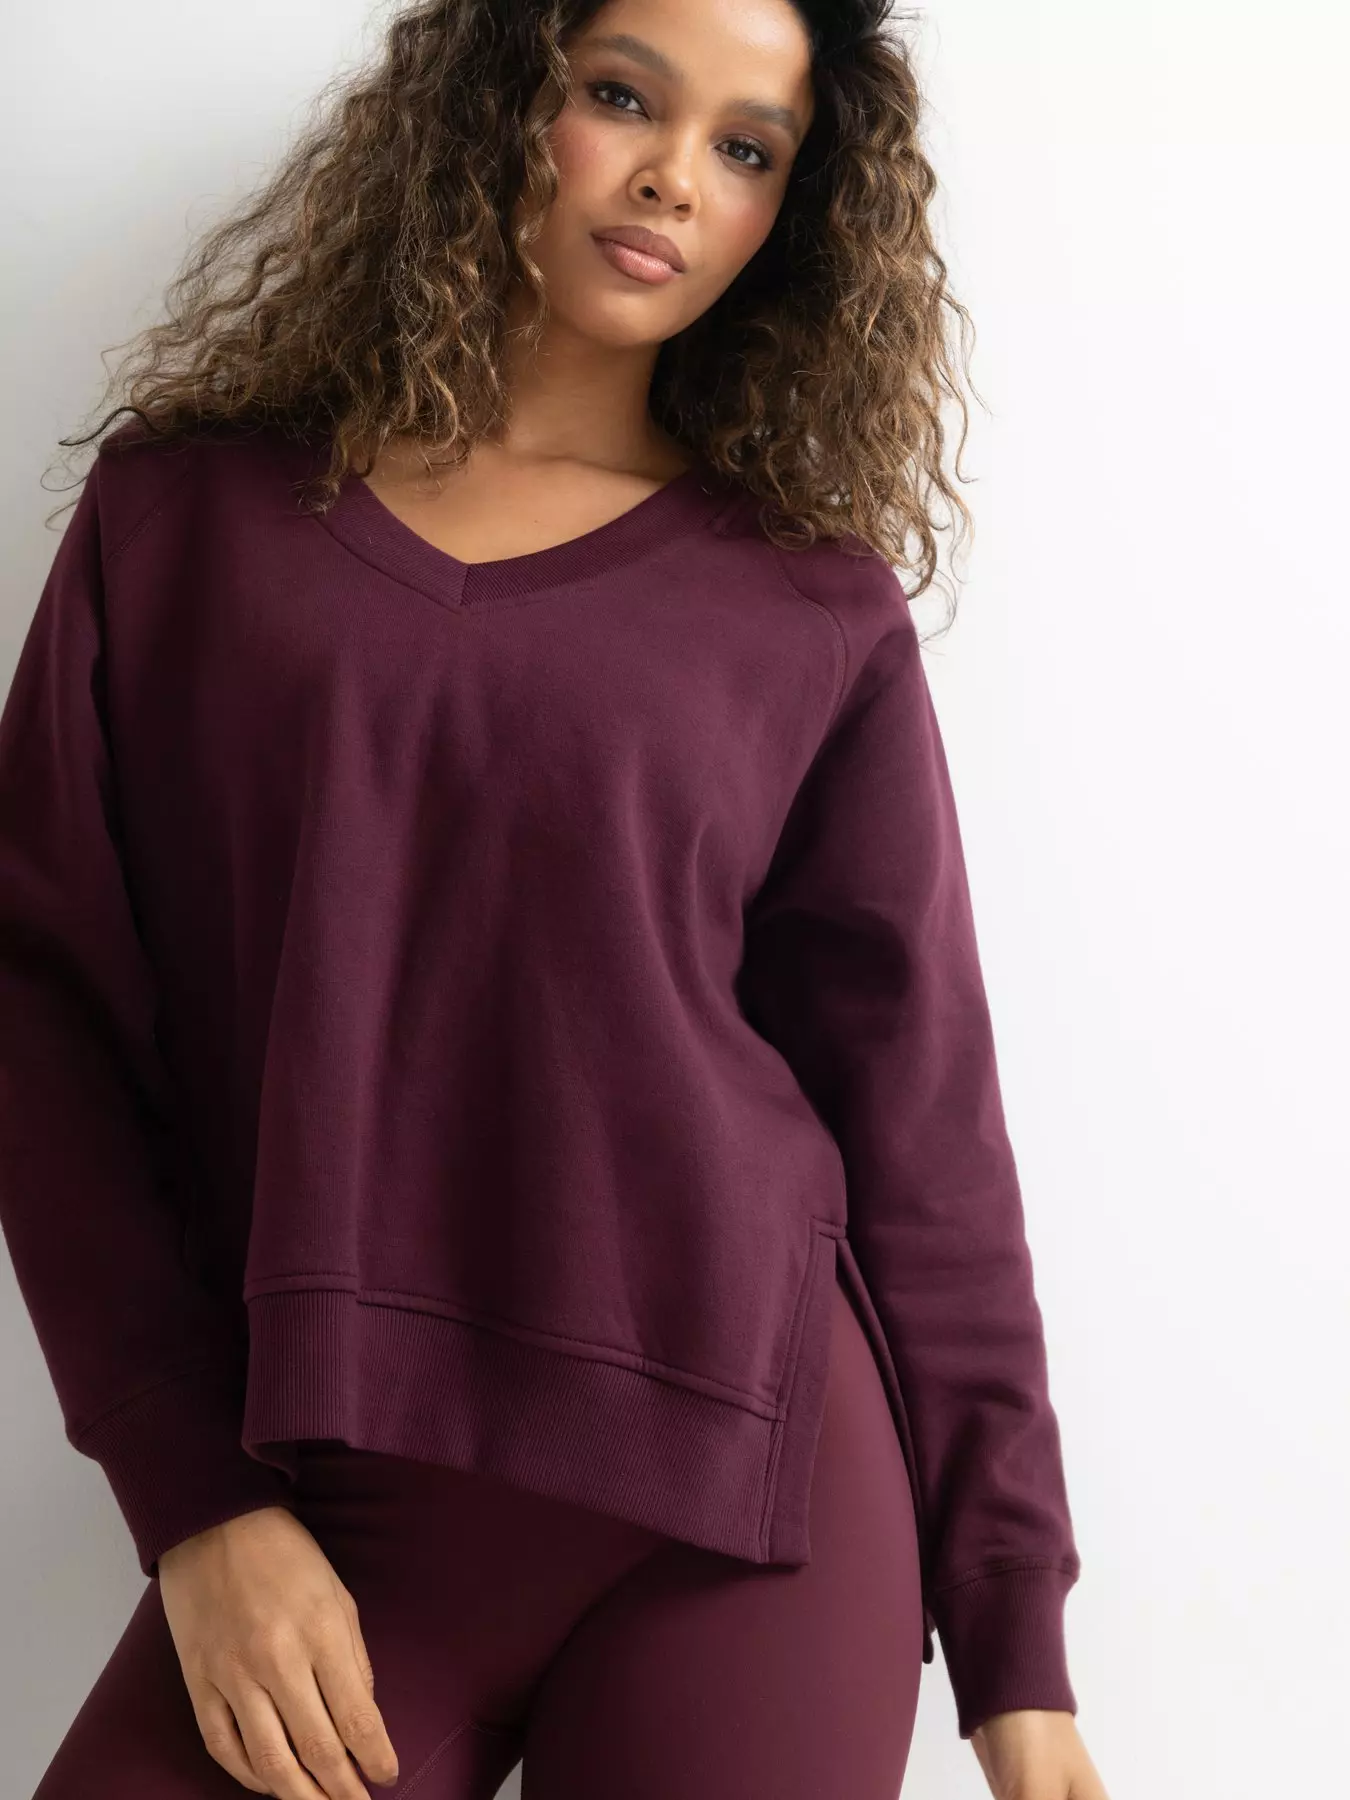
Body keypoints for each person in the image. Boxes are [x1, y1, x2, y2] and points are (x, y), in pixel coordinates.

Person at [0, 1, 1112, 1796]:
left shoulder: (807, 610)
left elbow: (920, 1132)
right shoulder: (181, 519)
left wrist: (1014, 1647)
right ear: (492, 103)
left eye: (745, 148)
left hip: (747, 1491)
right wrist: (192, 1503)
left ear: (789, 216)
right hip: (326, 1490)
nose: (673, 176)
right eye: (620, 96)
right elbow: (38, 1022)